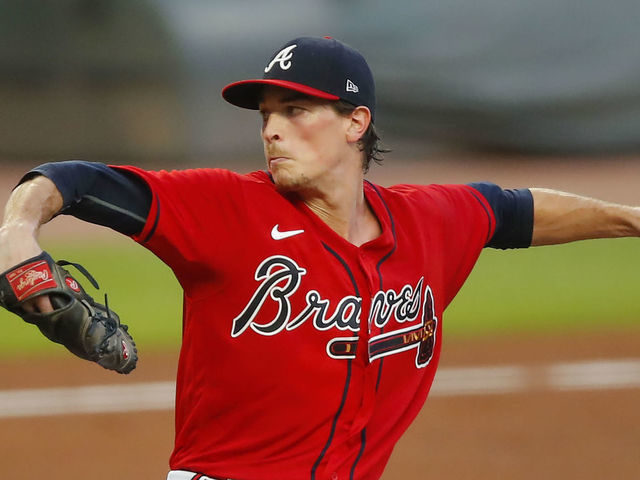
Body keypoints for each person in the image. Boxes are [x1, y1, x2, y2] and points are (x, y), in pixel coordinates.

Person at [0, 36, 638, 480]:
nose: (271, 129)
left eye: (296, 110)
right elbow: (74, 180)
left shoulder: (429, 220)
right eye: (267, 115)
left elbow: (514, 210)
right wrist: (19, 236)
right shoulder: (225, 208)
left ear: (356, 121)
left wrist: (630, 220)